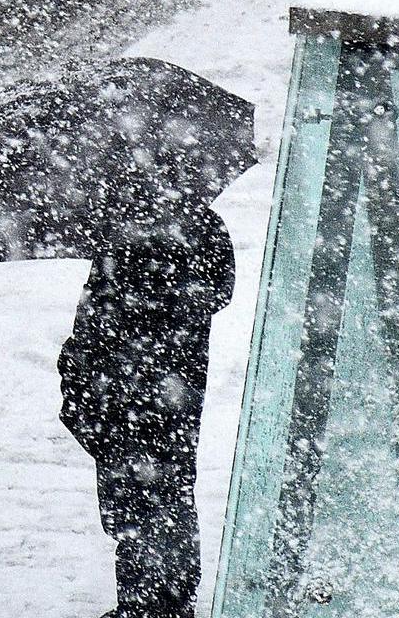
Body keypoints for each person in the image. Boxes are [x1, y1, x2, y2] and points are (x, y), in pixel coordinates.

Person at [59, 199, 235, 618]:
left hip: (127, 397)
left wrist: (80, 370)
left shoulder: (121, 231)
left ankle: (146, 605)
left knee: (137, 501)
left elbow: (96, 322)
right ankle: (168, 601)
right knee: (170, 495)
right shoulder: (202, 223)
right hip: (173, 393)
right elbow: (220, 290)